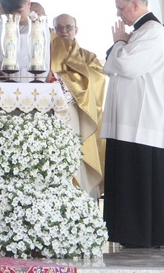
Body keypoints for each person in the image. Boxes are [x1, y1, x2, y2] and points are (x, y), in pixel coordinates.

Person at [100, 0, 164, 248]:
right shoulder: (141, 32)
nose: (120, 15)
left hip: (141, 122)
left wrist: (118, 43)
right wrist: (121, 44)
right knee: (130, 177)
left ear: (136, 5)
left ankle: (142, 234)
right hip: (129, 121)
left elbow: (126, 64)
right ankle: (130, 233)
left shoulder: (153, 31)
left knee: (139, 178)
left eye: (122, 8)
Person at [49, 13, 106, 199]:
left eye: (68, 27)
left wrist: (66, 79)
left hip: (80, 115)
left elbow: (98, 80)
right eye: (59, 27)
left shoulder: (87, 57)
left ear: (76, 30)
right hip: (52, 117)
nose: (63, 31)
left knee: (78, 158)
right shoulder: (45, 53)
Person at [0, 0, 50, 80]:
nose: (17, 18)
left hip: (29, 87)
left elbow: (12, 57)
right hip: (2, 86)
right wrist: (5, 20)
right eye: (11, 15)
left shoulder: (38, 25)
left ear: (28, 3)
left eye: (20, 12)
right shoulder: (4, 24)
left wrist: (6, 22)